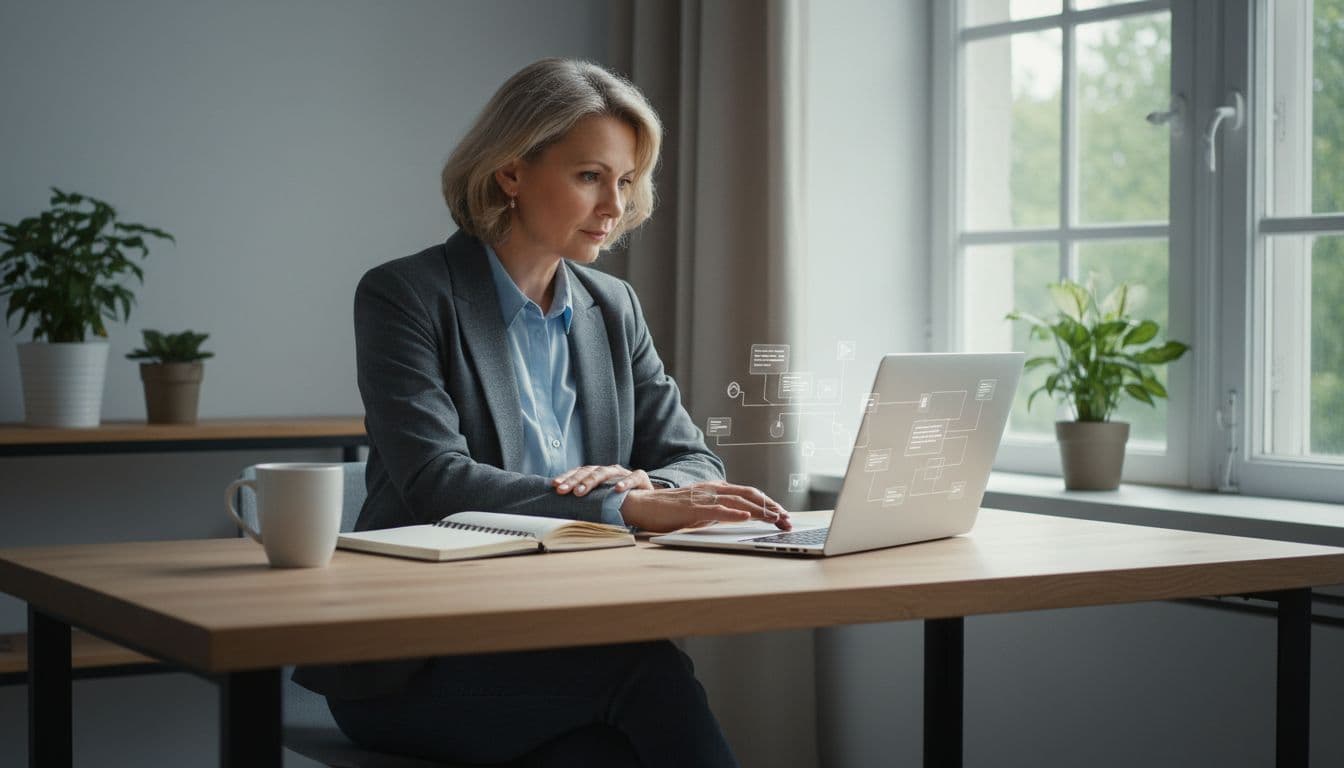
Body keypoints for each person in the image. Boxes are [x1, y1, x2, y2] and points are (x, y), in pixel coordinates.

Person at [293, 58, 791, 767]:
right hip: (416, 663)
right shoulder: (405, 296)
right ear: (510, 172)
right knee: (646, 672)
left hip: (564, 643)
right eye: (590, 176)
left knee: (607, 747)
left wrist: (654, 490)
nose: (615, 207)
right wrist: (620, 507)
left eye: (624, 181)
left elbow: (692, 459)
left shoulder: (613, 307)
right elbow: (436, 478)